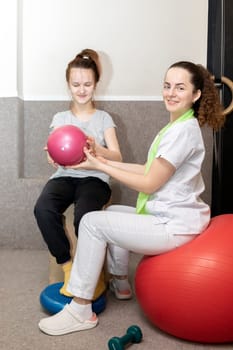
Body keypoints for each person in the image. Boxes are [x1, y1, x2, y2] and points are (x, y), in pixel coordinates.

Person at [38, 61, 225, 336]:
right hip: (170, 215)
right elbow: (148, 169)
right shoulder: (177, 126)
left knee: (92, 222)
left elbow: (149, 182)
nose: (171, 93)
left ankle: (80, 310)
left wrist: (101, 167)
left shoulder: (184, 131)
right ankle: (120, 281)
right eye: (167, 85)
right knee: (113, 211)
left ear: (195, 95)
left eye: (180, 87)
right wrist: (97, 161)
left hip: (171, 225)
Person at [34, 48, 124, 300]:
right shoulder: (60, 118)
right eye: (76, 84)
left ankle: (90, 274)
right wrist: (51, 155)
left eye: (87, 84)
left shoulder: (104, 118)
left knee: (85, 217)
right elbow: (51, 150)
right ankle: (68, 266)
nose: (81, 89)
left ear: (96, 84)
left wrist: (97, 149)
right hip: (64, 177)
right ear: (68, 85)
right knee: (43, 209)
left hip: (95, 178)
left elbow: (117, 156)